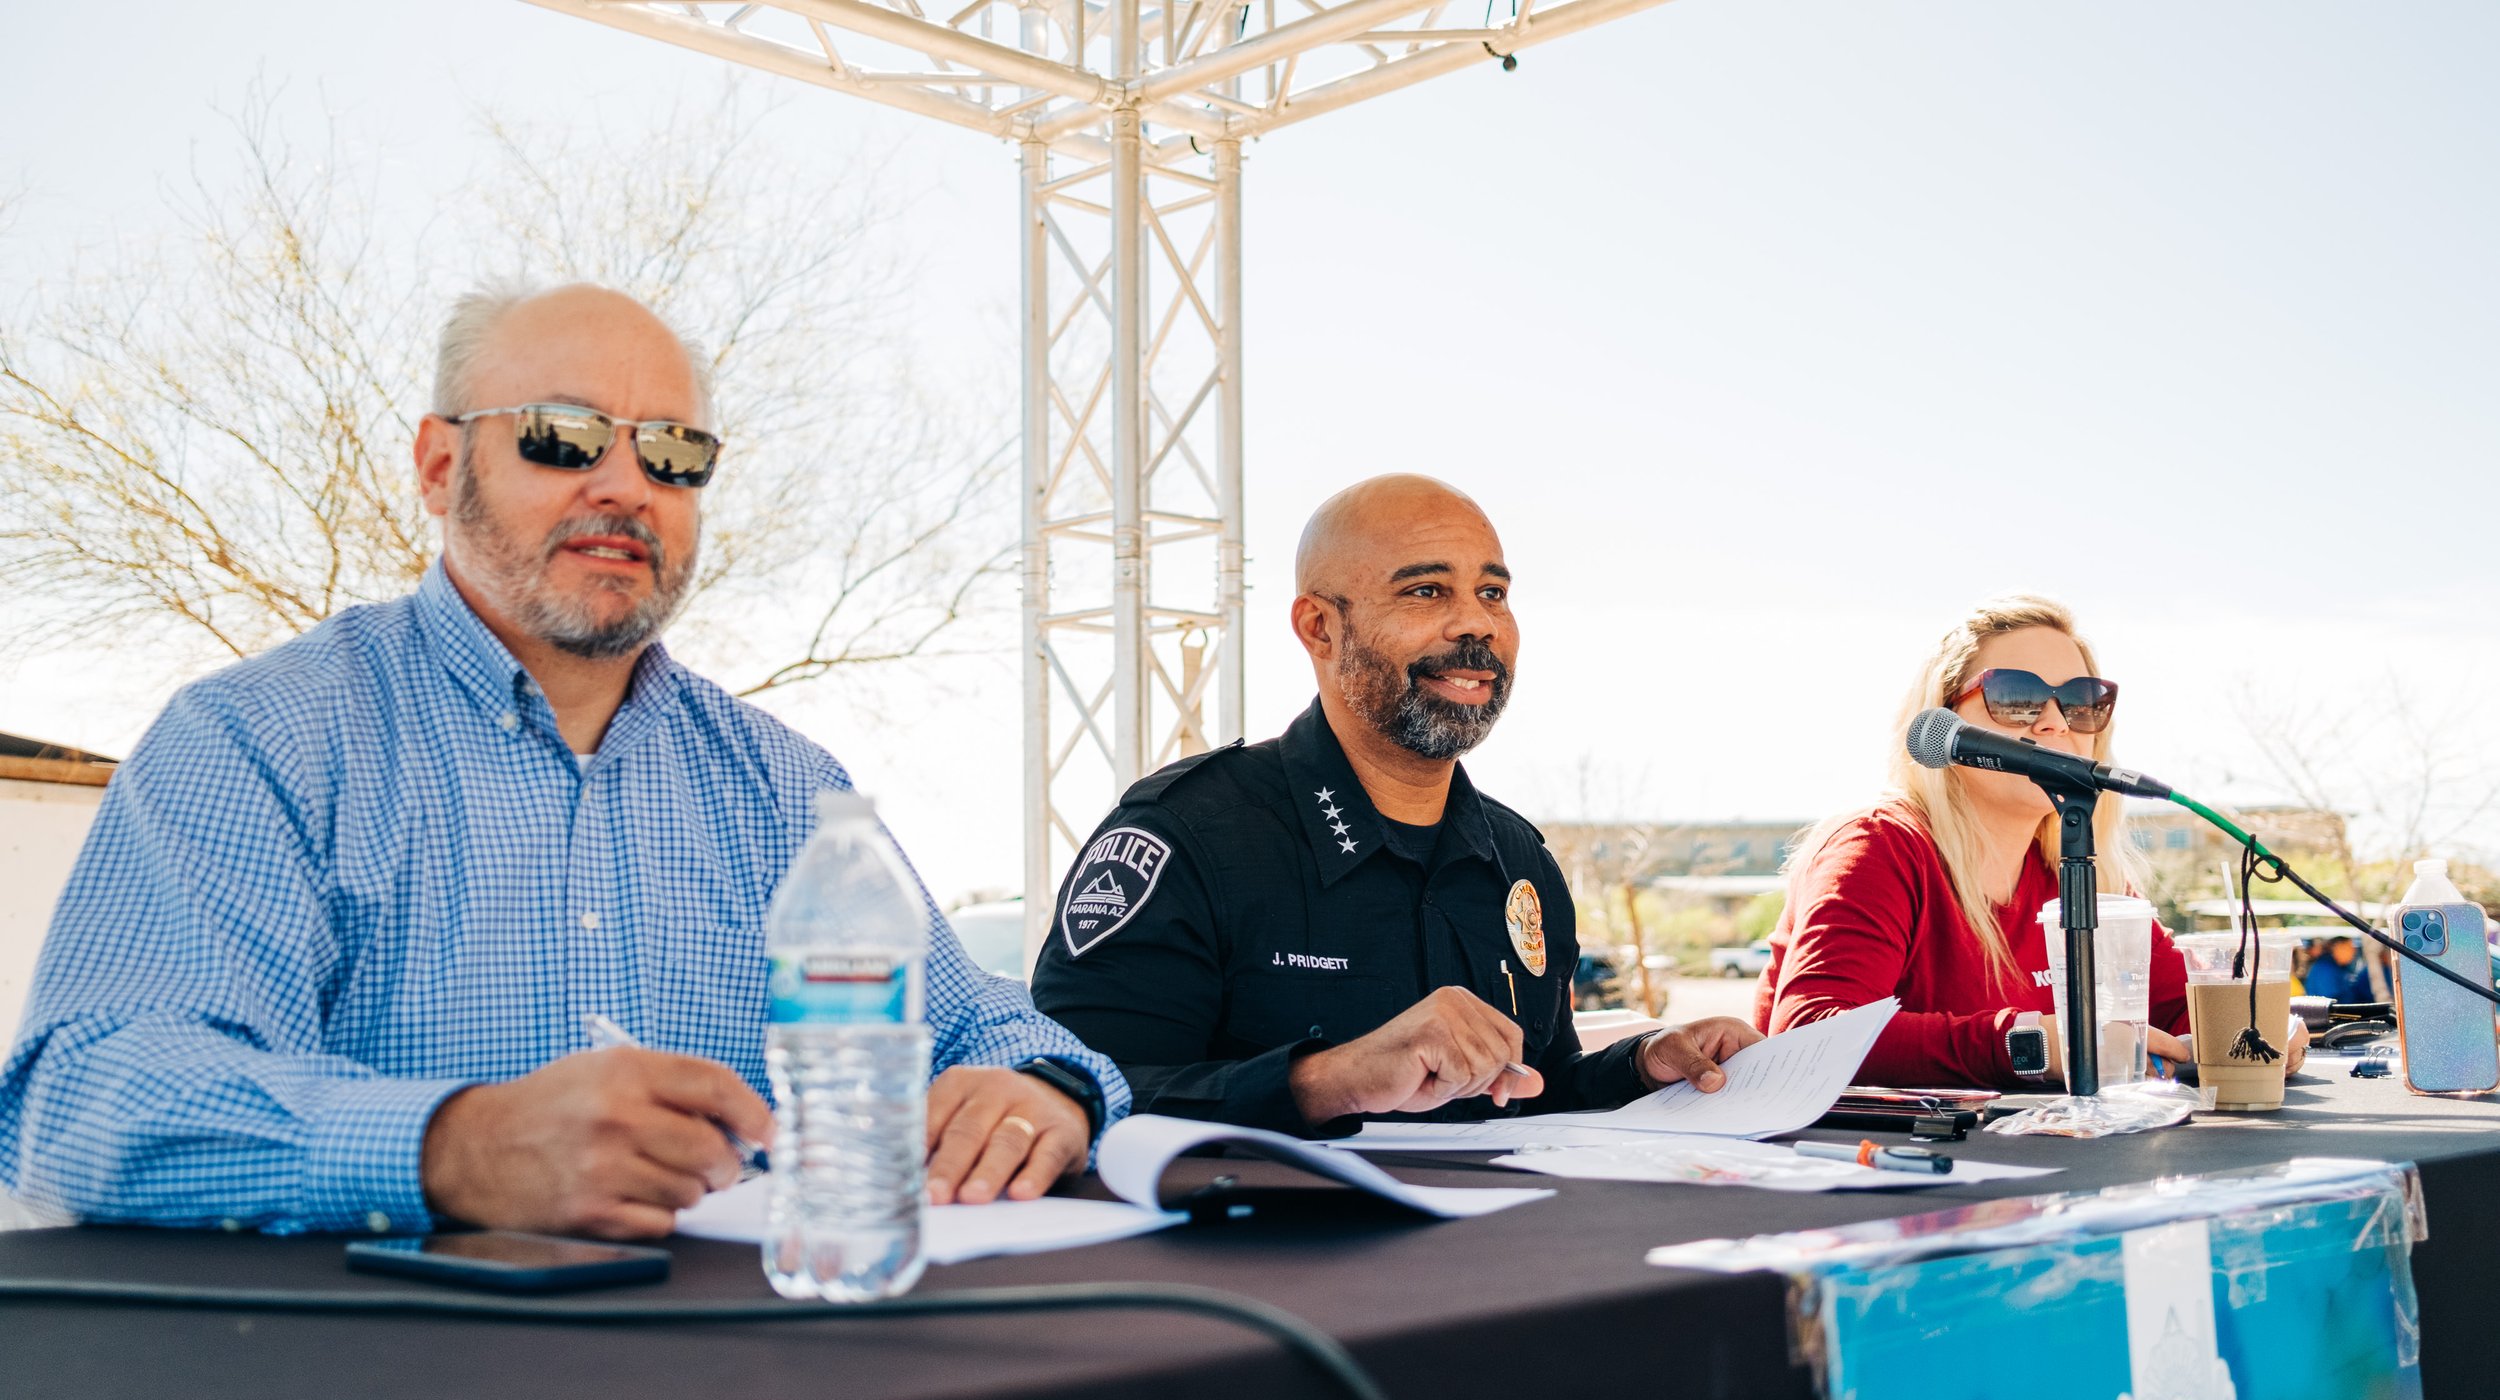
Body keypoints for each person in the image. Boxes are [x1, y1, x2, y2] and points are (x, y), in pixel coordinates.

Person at [0, 283, 1124, 1238]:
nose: (628, 487)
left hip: (758, 1383)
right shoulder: (260, 740)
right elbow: (90, 1094)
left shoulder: (785, 786)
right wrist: (451, 1147)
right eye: (563, 437)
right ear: (440, 465)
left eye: (675, 456)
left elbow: (995, 1025)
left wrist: (1041, 1091)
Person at [1030, 473, 1758, 1134]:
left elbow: (1534, 1093)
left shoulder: (1520, 862)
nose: (1476, 624)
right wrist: (1324, 1082)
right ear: (1320, 627)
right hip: (1268, 1265)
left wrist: (1643, 1065)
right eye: (1426, 591)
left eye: (1494, 593)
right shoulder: (1187, 836)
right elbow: (1072, 1094)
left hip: (1500, 1261)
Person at [1755, 595, 2307, 1089]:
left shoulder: (2083, 867)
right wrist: (2037, 1043)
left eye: (2081, 700)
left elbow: (2180, 1008)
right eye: (2016, 697)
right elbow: (1815, 1033)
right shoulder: (1879, 845)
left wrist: (2256, 1024)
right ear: (1945, 723)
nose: (2053, 722)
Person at [2303, 936, 2375, 1004]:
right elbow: (2331, 1001)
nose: (2353, 953)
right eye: (2348, 948)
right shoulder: (2326, 970)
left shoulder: (2339, 968)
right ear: (2336, 947)